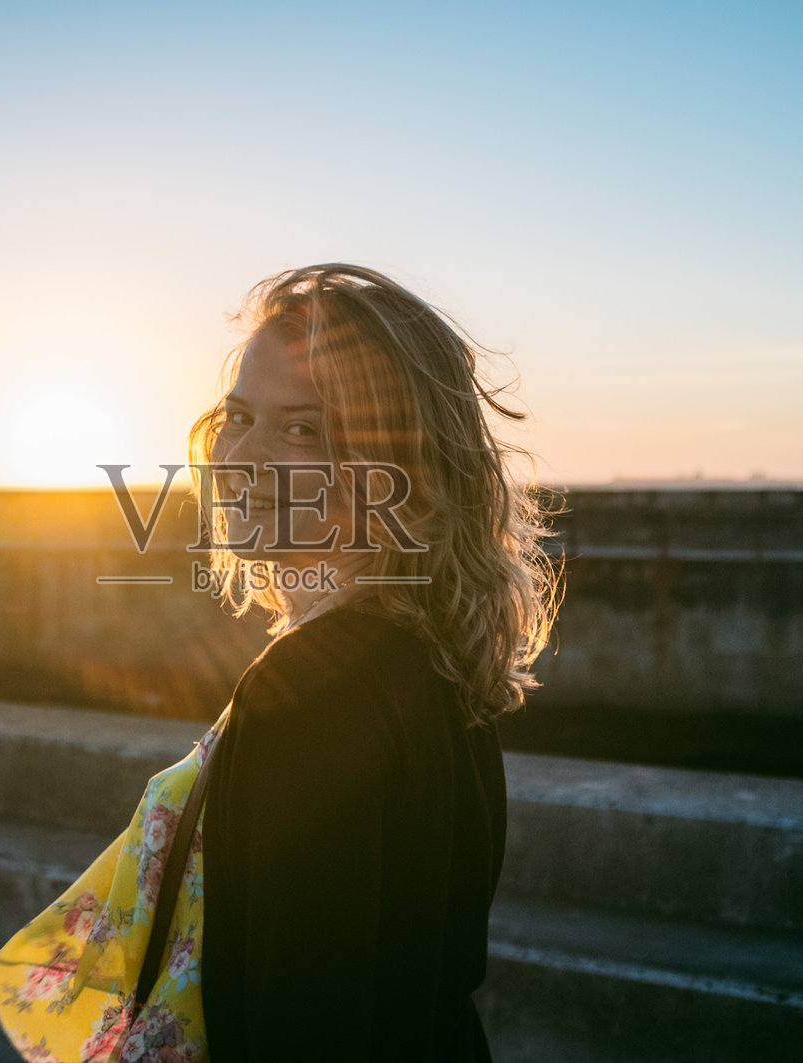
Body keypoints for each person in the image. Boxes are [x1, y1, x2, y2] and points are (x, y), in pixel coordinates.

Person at [186, 263, 561, 1061]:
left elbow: (305, 1024)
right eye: (238, 416)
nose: (240, 459)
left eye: (301, 430)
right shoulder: (437, 655)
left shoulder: (310, 689)